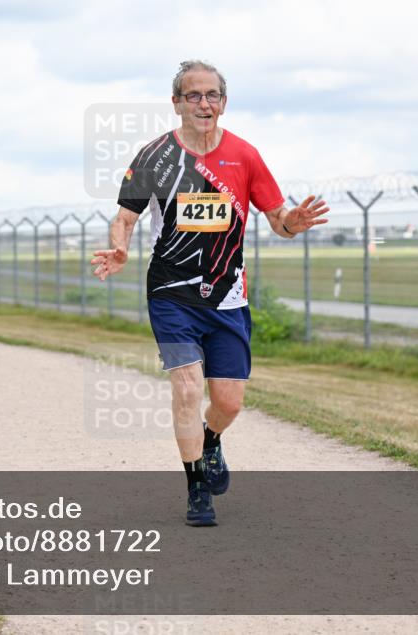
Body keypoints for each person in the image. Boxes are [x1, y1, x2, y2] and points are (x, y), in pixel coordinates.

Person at [91, 60, 328, 526]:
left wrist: (290, 225)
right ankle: (196, 486)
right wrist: (120, 249)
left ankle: (211, 439)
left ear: (224, 101)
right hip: (172, 294)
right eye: (194, 96)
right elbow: (125, 217)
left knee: (228, 401)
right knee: (186, 388)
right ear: (177, 103)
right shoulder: (155, 156)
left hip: (226, 298)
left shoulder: (246, 155)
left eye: (212, 95)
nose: (204, 104)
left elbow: (277, 216)